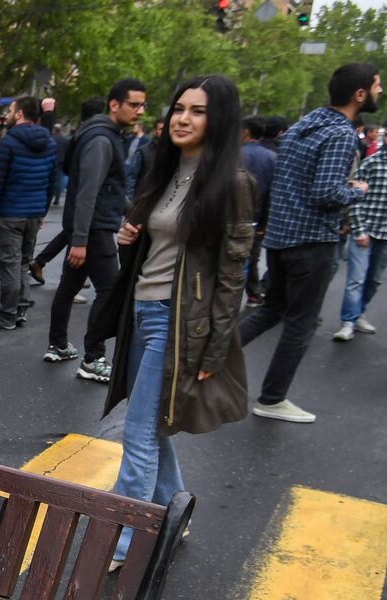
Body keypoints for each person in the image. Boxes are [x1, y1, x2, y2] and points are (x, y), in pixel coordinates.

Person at [104, 75, 252, 569]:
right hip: (143, 311)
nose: (182, 119)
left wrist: (212, 349)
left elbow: (233, 276)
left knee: (139, 433)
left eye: (198, 111)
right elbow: (162, 244)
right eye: (179, 109)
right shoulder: (164, 170)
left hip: (177, 323)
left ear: (220, 120)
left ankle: (126, 541)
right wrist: (133, 236)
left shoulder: (232, 184)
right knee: (153, 426)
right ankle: (176, 511)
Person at [239, 63, 380, 423]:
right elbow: (325, 192)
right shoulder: (341, 135)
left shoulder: (304, 125)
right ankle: (272, 399)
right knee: (301, 324)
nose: (380, 92)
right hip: (312, 242)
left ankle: (203, 362)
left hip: (281, 240)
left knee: (271, 310)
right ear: (359, 94)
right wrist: (357, 191)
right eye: (376, 86)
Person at [46, 78, 146, 374]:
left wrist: (132, 211)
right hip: (95, 229)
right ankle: (93, 358)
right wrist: (79, 240)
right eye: (134, 104)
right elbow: (89, 190)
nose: (140, 111)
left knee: (69, 287)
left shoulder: (98, 133)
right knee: (109, 291)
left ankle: (59, 345)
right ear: (114, 104)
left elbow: (108, 187)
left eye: (142, 105)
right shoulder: (102, 139)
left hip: (90, 226)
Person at [0, 96, 56, 330]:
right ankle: (20, 309)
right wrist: (42, 211)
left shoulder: (10, 143)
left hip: (11, 212)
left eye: (10, 110)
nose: (8, 114)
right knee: (22, 262)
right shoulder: (49, 142)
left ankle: (7, 314)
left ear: (19, 114)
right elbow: (52, 182)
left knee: (8, 263)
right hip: (33, 213)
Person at [31, 97, 106, 285]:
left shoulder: (80, 135)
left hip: (75, 197)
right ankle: (74, 282)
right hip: (83, 199)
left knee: (69, 234)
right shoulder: (93, 138)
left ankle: (43, 263)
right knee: (77, 238)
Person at [335, 117, 387, 341]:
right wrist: (359, 229)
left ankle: (359, 314)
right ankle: (348, 322)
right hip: (365, 231)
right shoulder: (371, 163)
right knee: (356, 279)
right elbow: (355, 198)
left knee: (374, 280)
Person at [240, 117, 276, 305]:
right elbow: (272, 193)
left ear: (246, 132)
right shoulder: (271, 158)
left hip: (231, 217)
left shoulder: (234, 154)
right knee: (251, 259)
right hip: (256, 219)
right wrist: (264, 223)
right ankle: (251, 294)